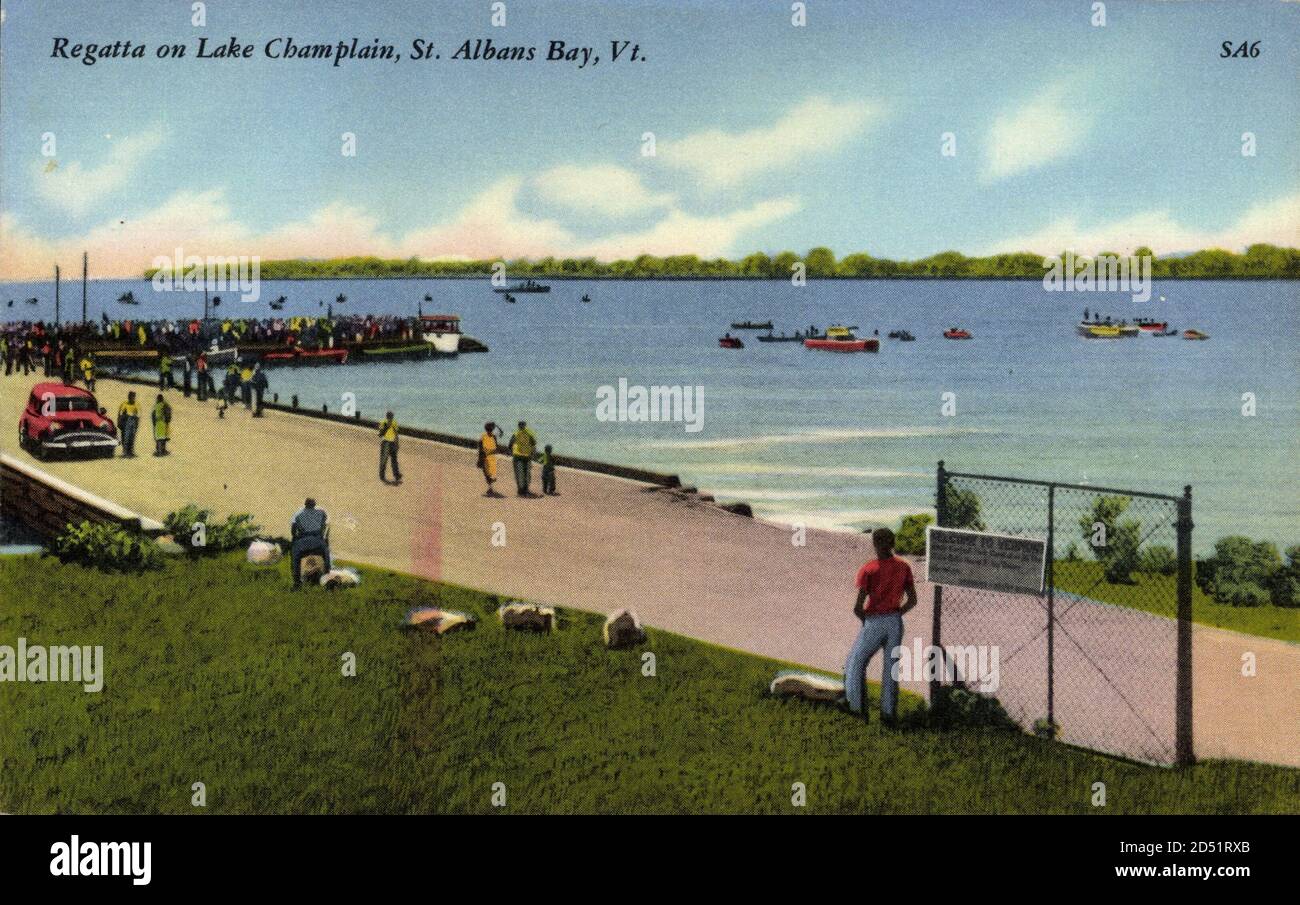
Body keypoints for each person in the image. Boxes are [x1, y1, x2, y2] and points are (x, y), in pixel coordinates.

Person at [844, 527, 918, 724]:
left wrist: (866, 622)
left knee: (855, 663)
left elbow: (857, 607)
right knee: (890, 668)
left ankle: (857, 709)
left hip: (874, 620)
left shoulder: (869, 568)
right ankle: (888, 714)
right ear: (893, 543)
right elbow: (912, 600)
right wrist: (896, 614)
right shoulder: (904, 567)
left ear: (875, 544)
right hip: (895, 621)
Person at [290, 498, 331, 589]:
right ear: (314, 505)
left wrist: (295, 540)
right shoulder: (322, 513)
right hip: (318, 541)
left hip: (302, 542)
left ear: (305, 505)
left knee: (295, 558)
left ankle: (297, 583)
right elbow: (325, 527)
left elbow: (293, 531)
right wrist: (325, 541)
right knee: (327, 556)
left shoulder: (298, 515)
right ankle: (327, 580)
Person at [508, 420, 538, 496]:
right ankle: (525, 490)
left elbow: (510, 444)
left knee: (519, 473)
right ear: (525, 425)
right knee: (526, 473)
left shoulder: (516, 433)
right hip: (526, 456)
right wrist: (533, 454)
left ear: (518, 426)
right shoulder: (529, 433)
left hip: (518, 456)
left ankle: (520, 491)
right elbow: (534, 444)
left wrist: (511, 452)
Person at [478, 421, 503, 496]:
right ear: (492, 428)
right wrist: (497, 426)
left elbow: (480, 447)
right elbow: (501, 433)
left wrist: (479, 458)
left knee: (487, 473)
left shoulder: (483, 436)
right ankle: (490, 488)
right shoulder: (493, 436)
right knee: (490, 473)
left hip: (486, 457)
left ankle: (490, 488)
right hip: (491, 457)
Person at [378, 411, 402, 484]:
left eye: (392, 417)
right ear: (387, 417)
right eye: (390, 417)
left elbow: (396, 434)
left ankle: (396, 475)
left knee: (394, 460)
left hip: (393, 443)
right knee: (384, 460)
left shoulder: (394, 423)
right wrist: (386, 427)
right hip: (385, 442)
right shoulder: (383, 422)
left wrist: (397, 443)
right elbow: (380, 434)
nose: (391, 418)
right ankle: (382, 476)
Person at [117, 391, 140, 457]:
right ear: (128, 397)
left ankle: (131, 452)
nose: (132, 398)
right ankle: (125, 452)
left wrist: (136, 424)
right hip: (126, 421)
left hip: (133, 421)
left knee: (132, 437)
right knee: (125, 437)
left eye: (133, 397)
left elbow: (138, 415)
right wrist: (120, 423)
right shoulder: (124, 404)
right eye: (130, 397)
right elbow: (120, 414)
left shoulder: (136, 404)